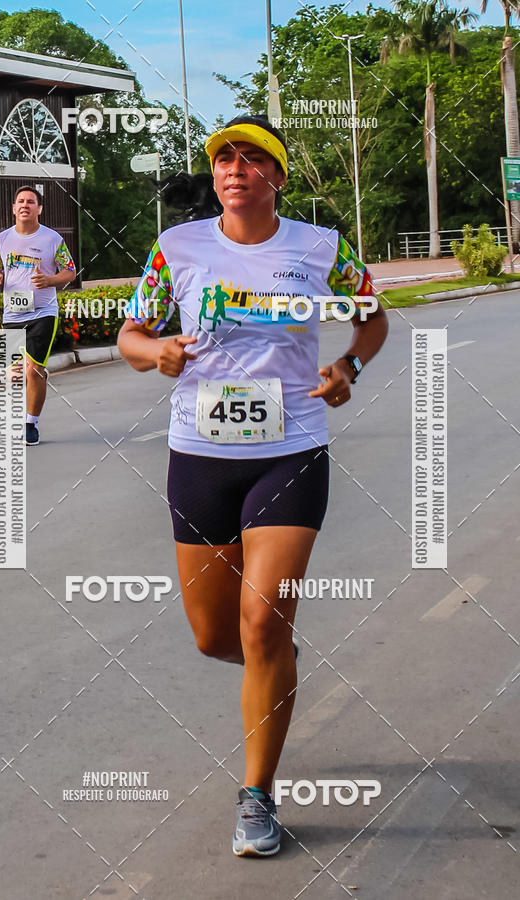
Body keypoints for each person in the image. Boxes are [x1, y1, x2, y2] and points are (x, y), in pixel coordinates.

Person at [118, 116, 388, 857]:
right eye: (223, 159)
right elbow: (131, 335)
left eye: (251, 157)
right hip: (199, 455)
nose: (234, 168)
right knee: (217, 638)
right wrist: (155, 350)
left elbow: (371, 319)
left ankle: (258, 795)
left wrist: (348, 366)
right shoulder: (177, 247)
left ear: (278, 176)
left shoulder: (321, 248)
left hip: (290, 451)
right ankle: (274, 669)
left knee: (263, 624)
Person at [0, 186, 76, 445]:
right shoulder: (2, 239)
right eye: (21, 201)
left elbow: (70, 271)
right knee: (14, 374)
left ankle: (30, 423)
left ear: (39, 209)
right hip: (13, 313)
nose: (25, 205)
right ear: (14, 208)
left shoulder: (52, 239)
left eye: (31, 201)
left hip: (43, 312)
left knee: (33, 371)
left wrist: (49, 280)